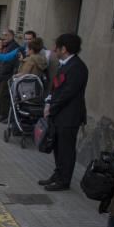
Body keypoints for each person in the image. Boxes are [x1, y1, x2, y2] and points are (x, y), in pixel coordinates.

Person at [39, 34, 88, 192]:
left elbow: (67, 93)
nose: (54, 50)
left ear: (64, 49)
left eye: (56, 47)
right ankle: (58, 174)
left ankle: (64, 180)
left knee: (66, 150)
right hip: (60, 114)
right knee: (58, 147)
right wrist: (48, 101)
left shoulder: (77, 67)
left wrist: (51, 108)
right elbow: (56, 89)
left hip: (69, 116)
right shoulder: (65, 64)